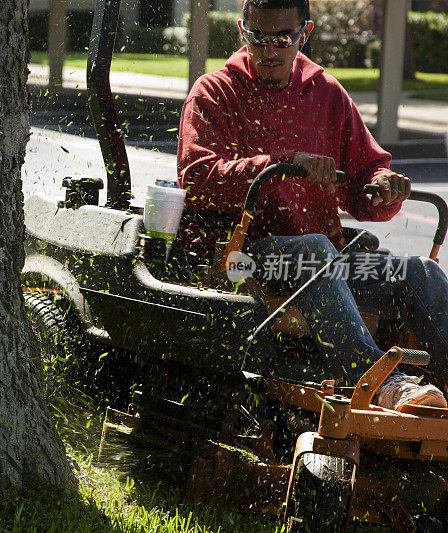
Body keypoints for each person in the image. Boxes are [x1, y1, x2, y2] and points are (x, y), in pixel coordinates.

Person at [177, 0, 448, 411]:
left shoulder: (328, 94)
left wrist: (383, 187)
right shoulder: (214, 92)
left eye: (282, 39)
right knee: (316, 248)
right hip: (245, 259)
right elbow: (197, 180)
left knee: (420, 273)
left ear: (304, 34)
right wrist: (281, 164)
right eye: (258, 38)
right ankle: (377, 382)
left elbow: (366, 181)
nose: (269, 50)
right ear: (241, 31)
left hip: (324, 266)